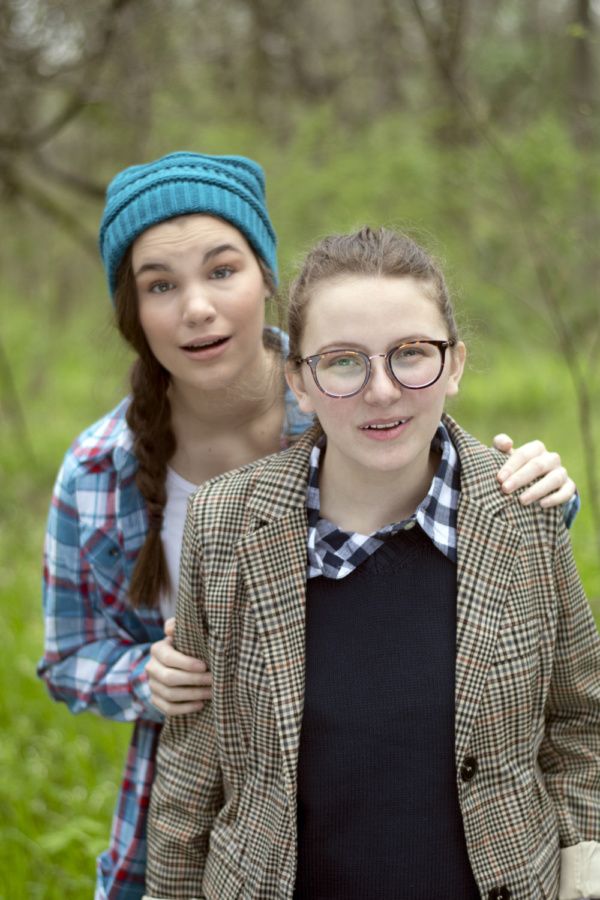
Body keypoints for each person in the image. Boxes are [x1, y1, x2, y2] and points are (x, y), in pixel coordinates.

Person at [37, 152, 578, 900]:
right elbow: (68, 658)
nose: (196, 306)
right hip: (212, 807)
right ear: (132, 311)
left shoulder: (354, 395)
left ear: (264, 277)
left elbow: (458, 493)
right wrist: (148, 676)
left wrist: (542, 495)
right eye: (160, 285)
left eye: (221, 270)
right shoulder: (103, 470)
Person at [145, 226, 600, 900]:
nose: (382, 390)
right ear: (300, 380)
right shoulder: (226, 523)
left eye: (411, 354)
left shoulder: (525, 512)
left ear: (455, 364)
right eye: (343, 361)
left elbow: (579, 722)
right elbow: (195, 761)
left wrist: (583, 874)